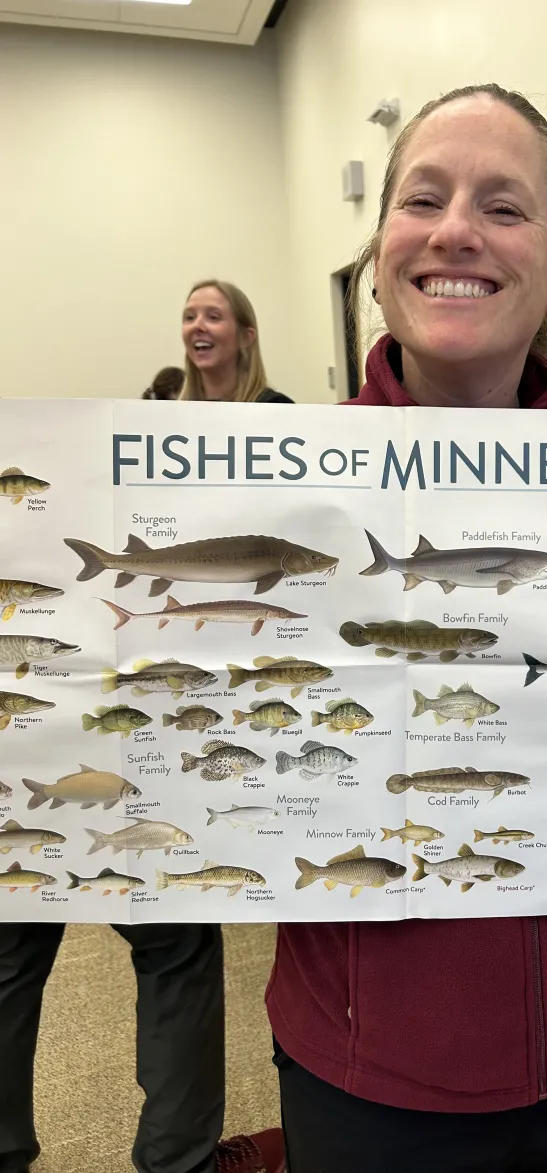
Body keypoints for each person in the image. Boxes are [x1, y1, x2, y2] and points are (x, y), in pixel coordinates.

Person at [266, 84, 547, 1173]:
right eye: (423, 199)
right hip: (374, 1071)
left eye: (504, 207)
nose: (456, 229)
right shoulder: (276, 500)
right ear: (379, 255)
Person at [0, 277, 289, 1173]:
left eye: (213, 314)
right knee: (28, 941)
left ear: (244, 332)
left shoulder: (278, 420)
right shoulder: (142, 422)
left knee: (171, 945)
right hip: (76, 706)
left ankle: (177, 1159)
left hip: (168, 710)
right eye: (187, 315)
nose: (197, 326)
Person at [178, 279, 294, 404]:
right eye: (190, 317)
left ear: (245, 337)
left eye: (213, 317)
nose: (197, 326)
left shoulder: (276, 408)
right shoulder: (172, 415)